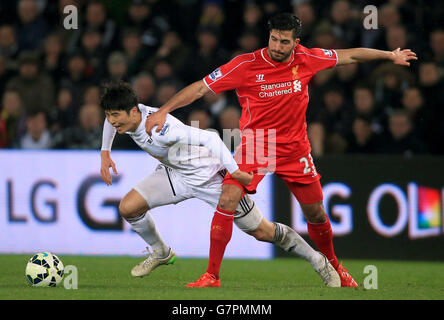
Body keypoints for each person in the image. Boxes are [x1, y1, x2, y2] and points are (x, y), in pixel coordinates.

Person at [145, 12, 417, 287]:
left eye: (284, 42)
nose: (277, 46)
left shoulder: (307, 58)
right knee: (228, 198)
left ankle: (335, 266)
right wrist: (163, 111)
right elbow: (201, 89)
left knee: (317, 214)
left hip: (295, 149)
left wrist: (388, 55)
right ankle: (212, 275)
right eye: (273, 39)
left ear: (296, 42)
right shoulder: (246, 64)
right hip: (257, 146)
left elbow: (351, 55)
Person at [99, 81, 341, 288]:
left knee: (262, 232)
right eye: (108, 115)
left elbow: (210, 137)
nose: (111, 121)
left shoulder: (162, 129)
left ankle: (318, 260)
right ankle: (162, 253)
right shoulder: (127, 116)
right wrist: (105, 152)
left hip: (208, 178)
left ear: (132, 112)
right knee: (128, 208)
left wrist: (235, 172)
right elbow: (110, 122)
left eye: (115, 116)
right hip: (174, 174)